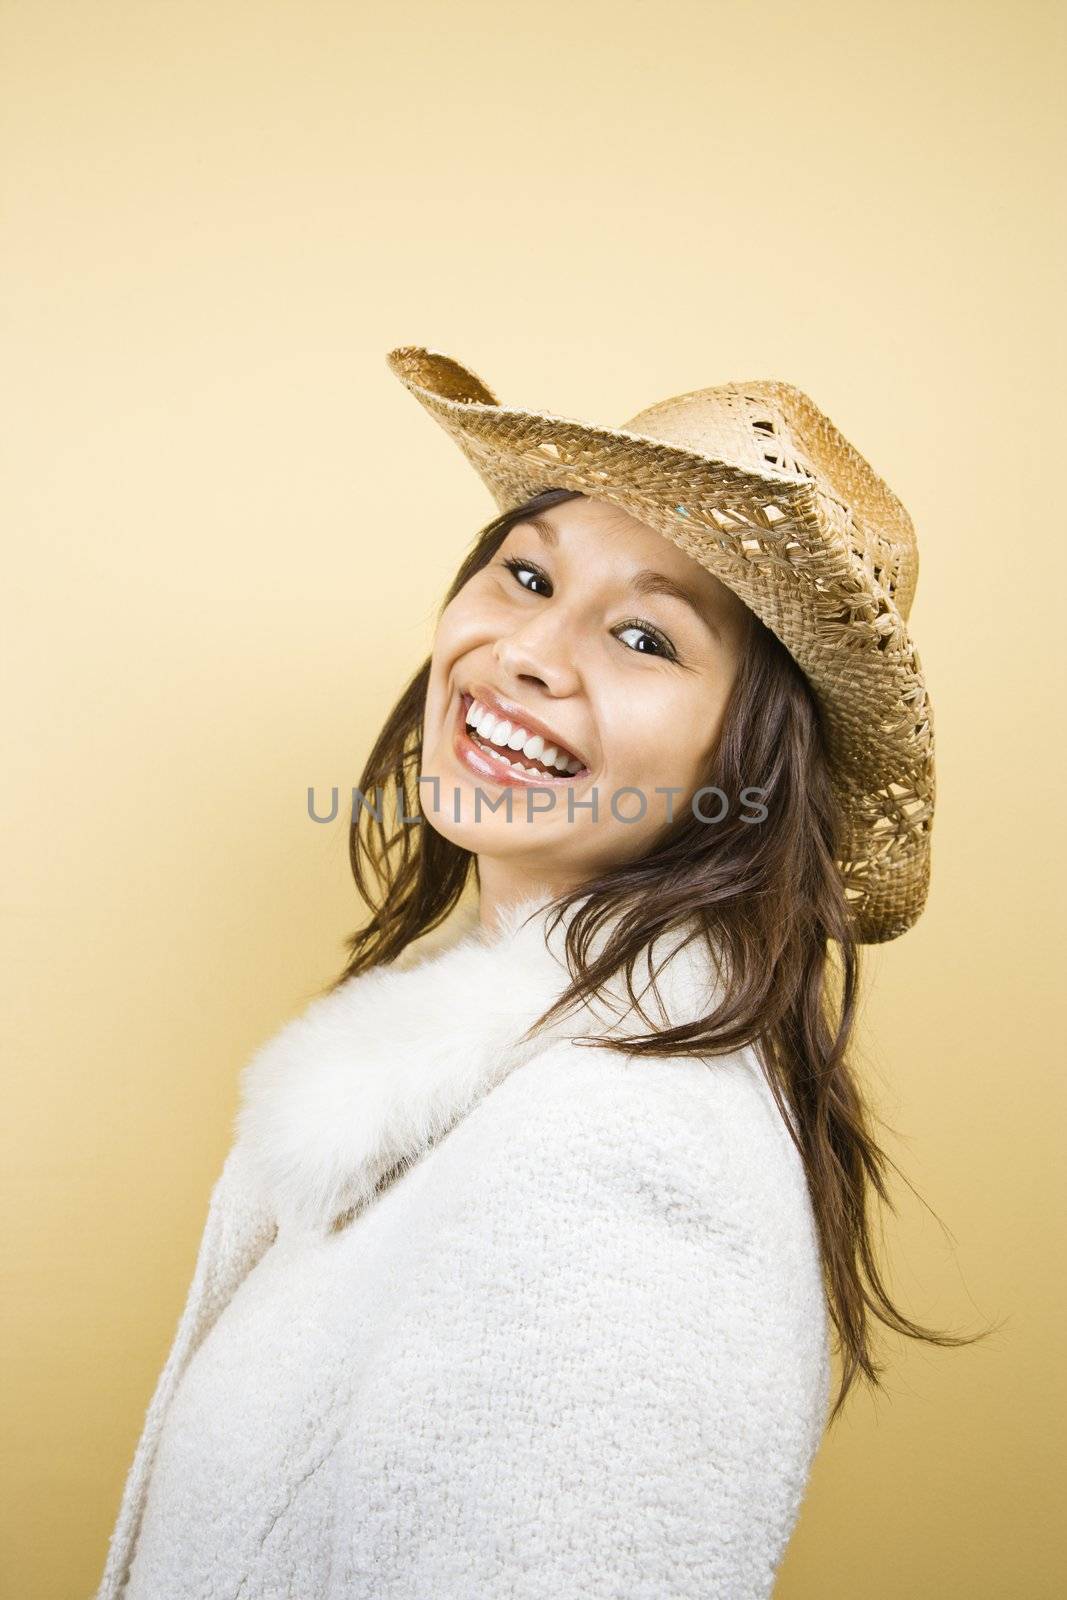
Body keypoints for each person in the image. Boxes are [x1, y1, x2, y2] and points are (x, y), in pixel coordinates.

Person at [94, 346, 982, 1600]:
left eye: (641, 635)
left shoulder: (621, 1151)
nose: (525, 650)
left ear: (750, 761)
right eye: (525, 573)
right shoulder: (495, 1082)